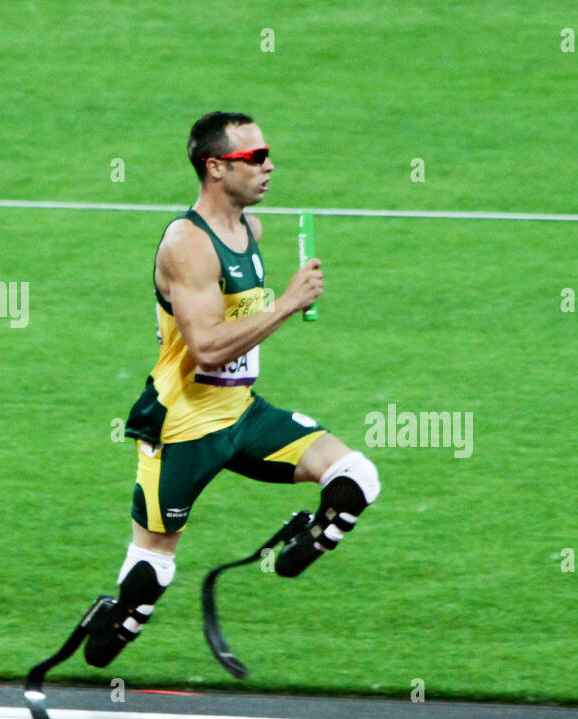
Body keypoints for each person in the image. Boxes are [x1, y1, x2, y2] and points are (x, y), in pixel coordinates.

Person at [82, 111, 381, 668]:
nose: (269, 166)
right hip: (183, 426)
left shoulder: (251, 230)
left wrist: (279, 306)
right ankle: (115, 624)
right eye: (255, 158)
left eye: (269, 154)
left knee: (357, 478)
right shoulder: (187, 245)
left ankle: (299, 550)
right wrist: (288, 303)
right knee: (154, 568)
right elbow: (209, 349)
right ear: (215, 168)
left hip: (240, 413)